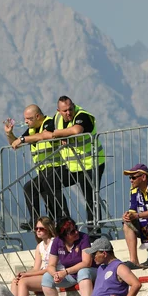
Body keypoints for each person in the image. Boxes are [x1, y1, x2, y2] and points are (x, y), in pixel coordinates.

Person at [4, 105, 66, 229]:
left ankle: (61, 219)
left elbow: (43, 136)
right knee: (29, 188)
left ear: (37, 116)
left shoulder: (49, 123)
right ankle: (35, 221)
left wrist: (22, 139)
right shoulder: (32, 129)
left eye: (28, 118)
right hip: (44, 170)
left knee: (47, 191)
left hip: (57, 166)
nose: (26, 121)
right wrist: (10, 134)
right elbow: (16, 143)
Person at [49, 96, 106, 226]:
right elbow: (47, 133)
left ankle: (94, 231)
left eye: (70, 109)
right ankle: (65, 223)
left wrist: (59, 134)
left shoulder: (83, 115)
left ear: (73, 105)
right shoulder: (56, 119)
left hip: (91, 164)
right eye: (65, 111)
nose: (68, 113)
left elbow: (76, 130)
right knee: (51, 183)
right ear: (58, 111)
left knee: (90, 199)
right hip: (73, 166)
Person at [40, 217, 96, 296]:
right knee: (47, 277)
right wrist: (55, 274)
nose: (76, 232)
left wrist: (65, 272)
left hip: (90, 271)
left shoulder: (84, 238)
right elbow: (51, 265)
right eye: (72, 231)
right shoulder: (57, 242)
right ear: (64, 236)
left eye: (76, 228)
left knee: (83, 271)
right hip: (71, 275)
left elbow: (86, 262)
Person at [11, 217, 56, 296]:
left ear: (48, 229)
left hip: (53, 275)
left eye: (41, 228)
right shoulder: (39, 246)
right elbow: (36, 268)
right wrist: (24, 274)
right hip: (43, 274)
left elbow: (50, 268)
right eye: (36, 228)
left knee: (23, 282)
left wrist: (27, 275)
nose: (38, 230)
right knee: (15, 281)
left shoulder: (55, 243)